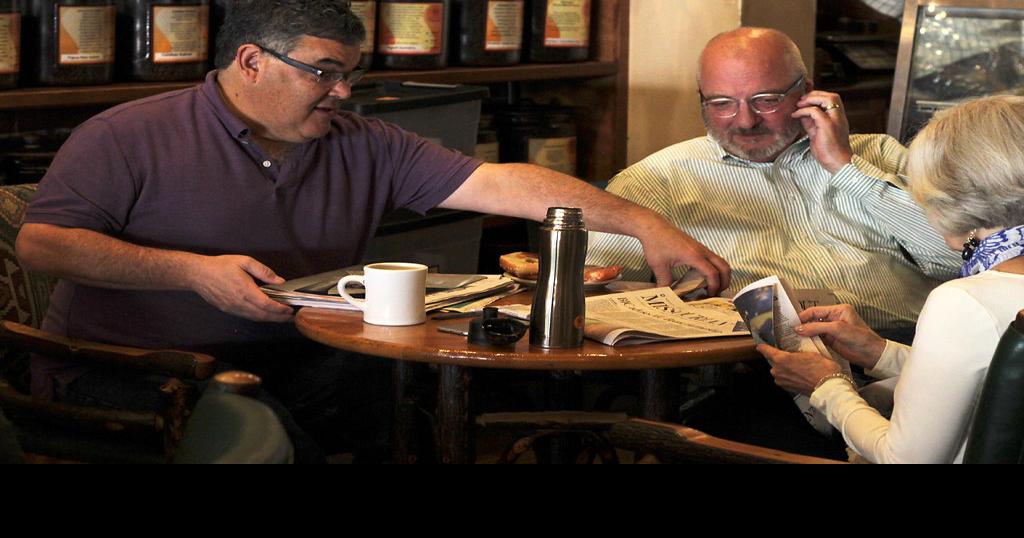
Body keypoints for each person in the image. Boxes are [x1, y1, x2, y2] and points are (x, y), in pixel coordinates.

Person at [14, 0, 729, 461]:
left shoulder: (364, 141)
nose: (344, 92)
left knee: (427, 404)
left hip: (306, 354)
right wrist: (191, 271)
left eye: (351, 73)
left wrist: (641, 222)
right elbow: (42, 244)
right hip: (132, 369)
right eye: (325, 72)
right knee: (273, 437)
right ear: (252, 61)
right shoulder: (127, 135)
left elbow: (504, 183)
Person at [586, 28, 960, 340]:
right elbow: (594, 296)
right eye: (721, 103)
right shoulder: (657, 181)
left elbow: (961, 260)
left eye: (766, 100)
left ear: (807, 93)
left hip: (911, 350)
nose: (745, 121)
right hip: (751, 368)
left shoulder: (879, 155)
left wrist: (844, 166)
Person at [759, 95, 1024, 464]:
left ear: (955, 199)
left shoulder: (964, 302)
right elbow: (994, 377)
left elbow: (904, 459)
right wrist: (878, 351)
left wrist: (826, 385)